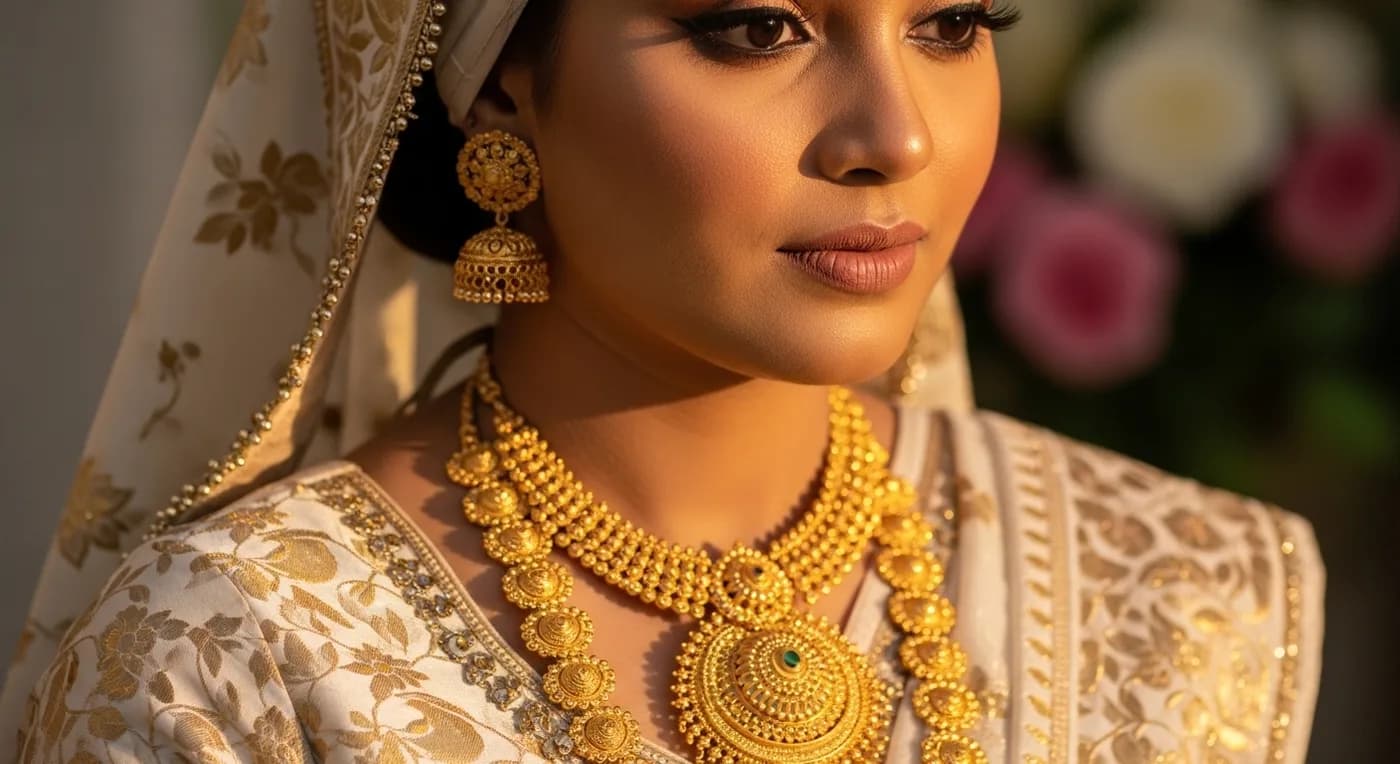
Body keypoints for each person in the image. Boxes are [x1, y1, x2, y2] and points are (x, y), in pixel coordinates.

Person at [2, 1, 1323, 762]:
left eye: (951, 22)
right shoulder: (236, 654)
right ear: (500, 85)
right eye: (756, 28)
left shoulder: (1184, 592)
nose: (898, 135)